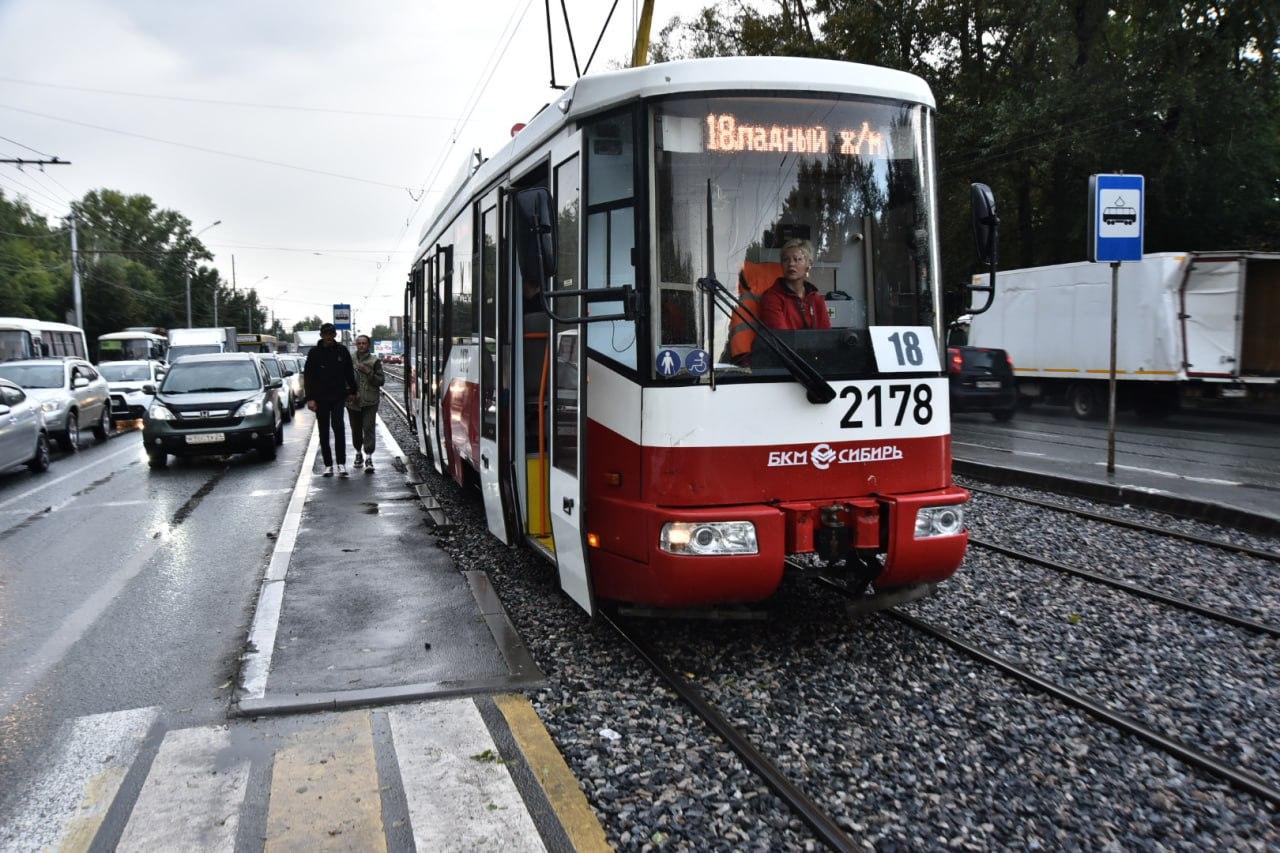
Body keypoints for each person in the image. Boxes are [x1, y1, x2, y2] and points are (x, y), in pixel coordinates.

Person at [303, 323, 358, 477]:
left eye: (331, 334)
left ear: (335, 335)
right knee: (323, 430)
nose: (328, 337)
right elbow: (308, 377)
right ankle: (328, 465)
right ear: (321, 335)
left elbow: (349, 372)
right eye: (325, 334)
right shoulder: (314, 353)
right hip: (320, 398)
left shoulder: (342, 351)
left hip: (338, 396)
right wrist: (310, 398)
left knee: (338, 426)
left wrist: (353, 391)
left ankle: (341, 464)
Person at [759, 239, 831, 331]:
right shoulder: (771, 298)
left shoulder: (816, 299)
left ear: (808, 265)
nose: (791, 264)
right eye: (786, 260)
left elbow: (827, 336)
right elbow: (782, 339)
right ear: (782, 265)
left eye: (797, 259)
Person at [346, 334, 385, 471]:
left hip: (370, 401)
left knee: (368, 428)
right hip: (353, 402)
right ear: (356, 345)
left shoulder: (374, 361)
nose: (361, 345)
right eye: (359, 343)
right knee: (355, 429)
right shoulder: (349, 359)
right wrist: (349, 393)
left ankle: (368, 456)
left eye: (364, 343)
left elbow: (381, 381)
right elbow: (343, 378)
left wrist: (369, 372)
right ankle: (358, 453)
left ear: (368, 345)